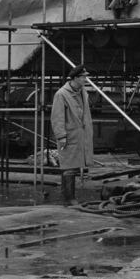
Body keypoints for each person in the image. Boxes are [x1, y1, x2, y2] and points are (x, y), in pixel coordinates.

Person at [51, 64, 94, 206]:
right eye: (83, 77)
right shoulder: (61, 94)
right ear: (75, 78)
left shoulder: (82, 92)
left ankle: (69, 197)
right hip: (69, 136)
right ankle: (69, 198)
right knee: (68, 167)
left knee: (74, 166)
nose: (85, 80)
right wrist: (61, 136)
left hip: (80, 135)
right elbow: (57, 118)